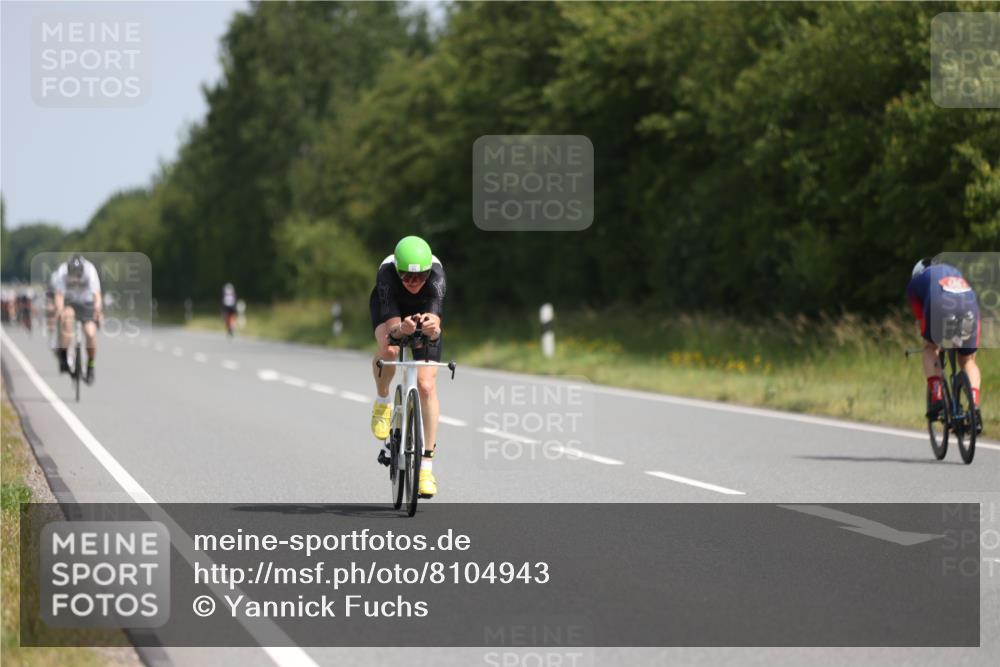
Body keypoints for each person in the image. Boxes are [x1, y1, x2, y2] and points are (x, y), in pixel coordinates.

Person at [369, 236, 446, 497]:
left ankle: (426, 468)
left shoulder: (436, 276)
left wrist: (432, 329)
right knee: (389, 349)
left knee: (426, 385)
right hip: (392, 310)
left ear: (428, 272)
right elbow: (393, 331)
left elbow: (435, 324)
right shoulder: (386, 274)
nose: (413, 282)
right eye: (407, 276)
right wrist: (402, 328)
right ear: (397, 270)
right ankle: (383, 401)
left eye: (420, 277)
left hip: (423, 310)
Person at [907, 257, 982, 431]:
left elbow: (921, 320)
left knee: (929, 347)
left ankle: (937, 398)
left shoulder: (915, 283)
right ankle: (974, 407)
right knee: (968, 360)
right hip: (969, 305)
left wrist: (934, 340)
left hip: (939, 305)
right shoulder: (954, 272)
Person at [52, 254, 103, 384]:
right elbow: (59, 295)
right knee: (67, 318)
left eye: (78, 275)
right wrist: (59, 310)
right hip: (70, 302)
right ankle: (63, 355)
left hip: (86, 302)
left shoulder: (90, 270)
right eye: (72, 275)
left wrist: (98, 311)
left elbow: (96, 295)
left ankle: (90, 365)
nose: (75, 279)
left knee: (90, 333)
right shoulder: (62, 271)